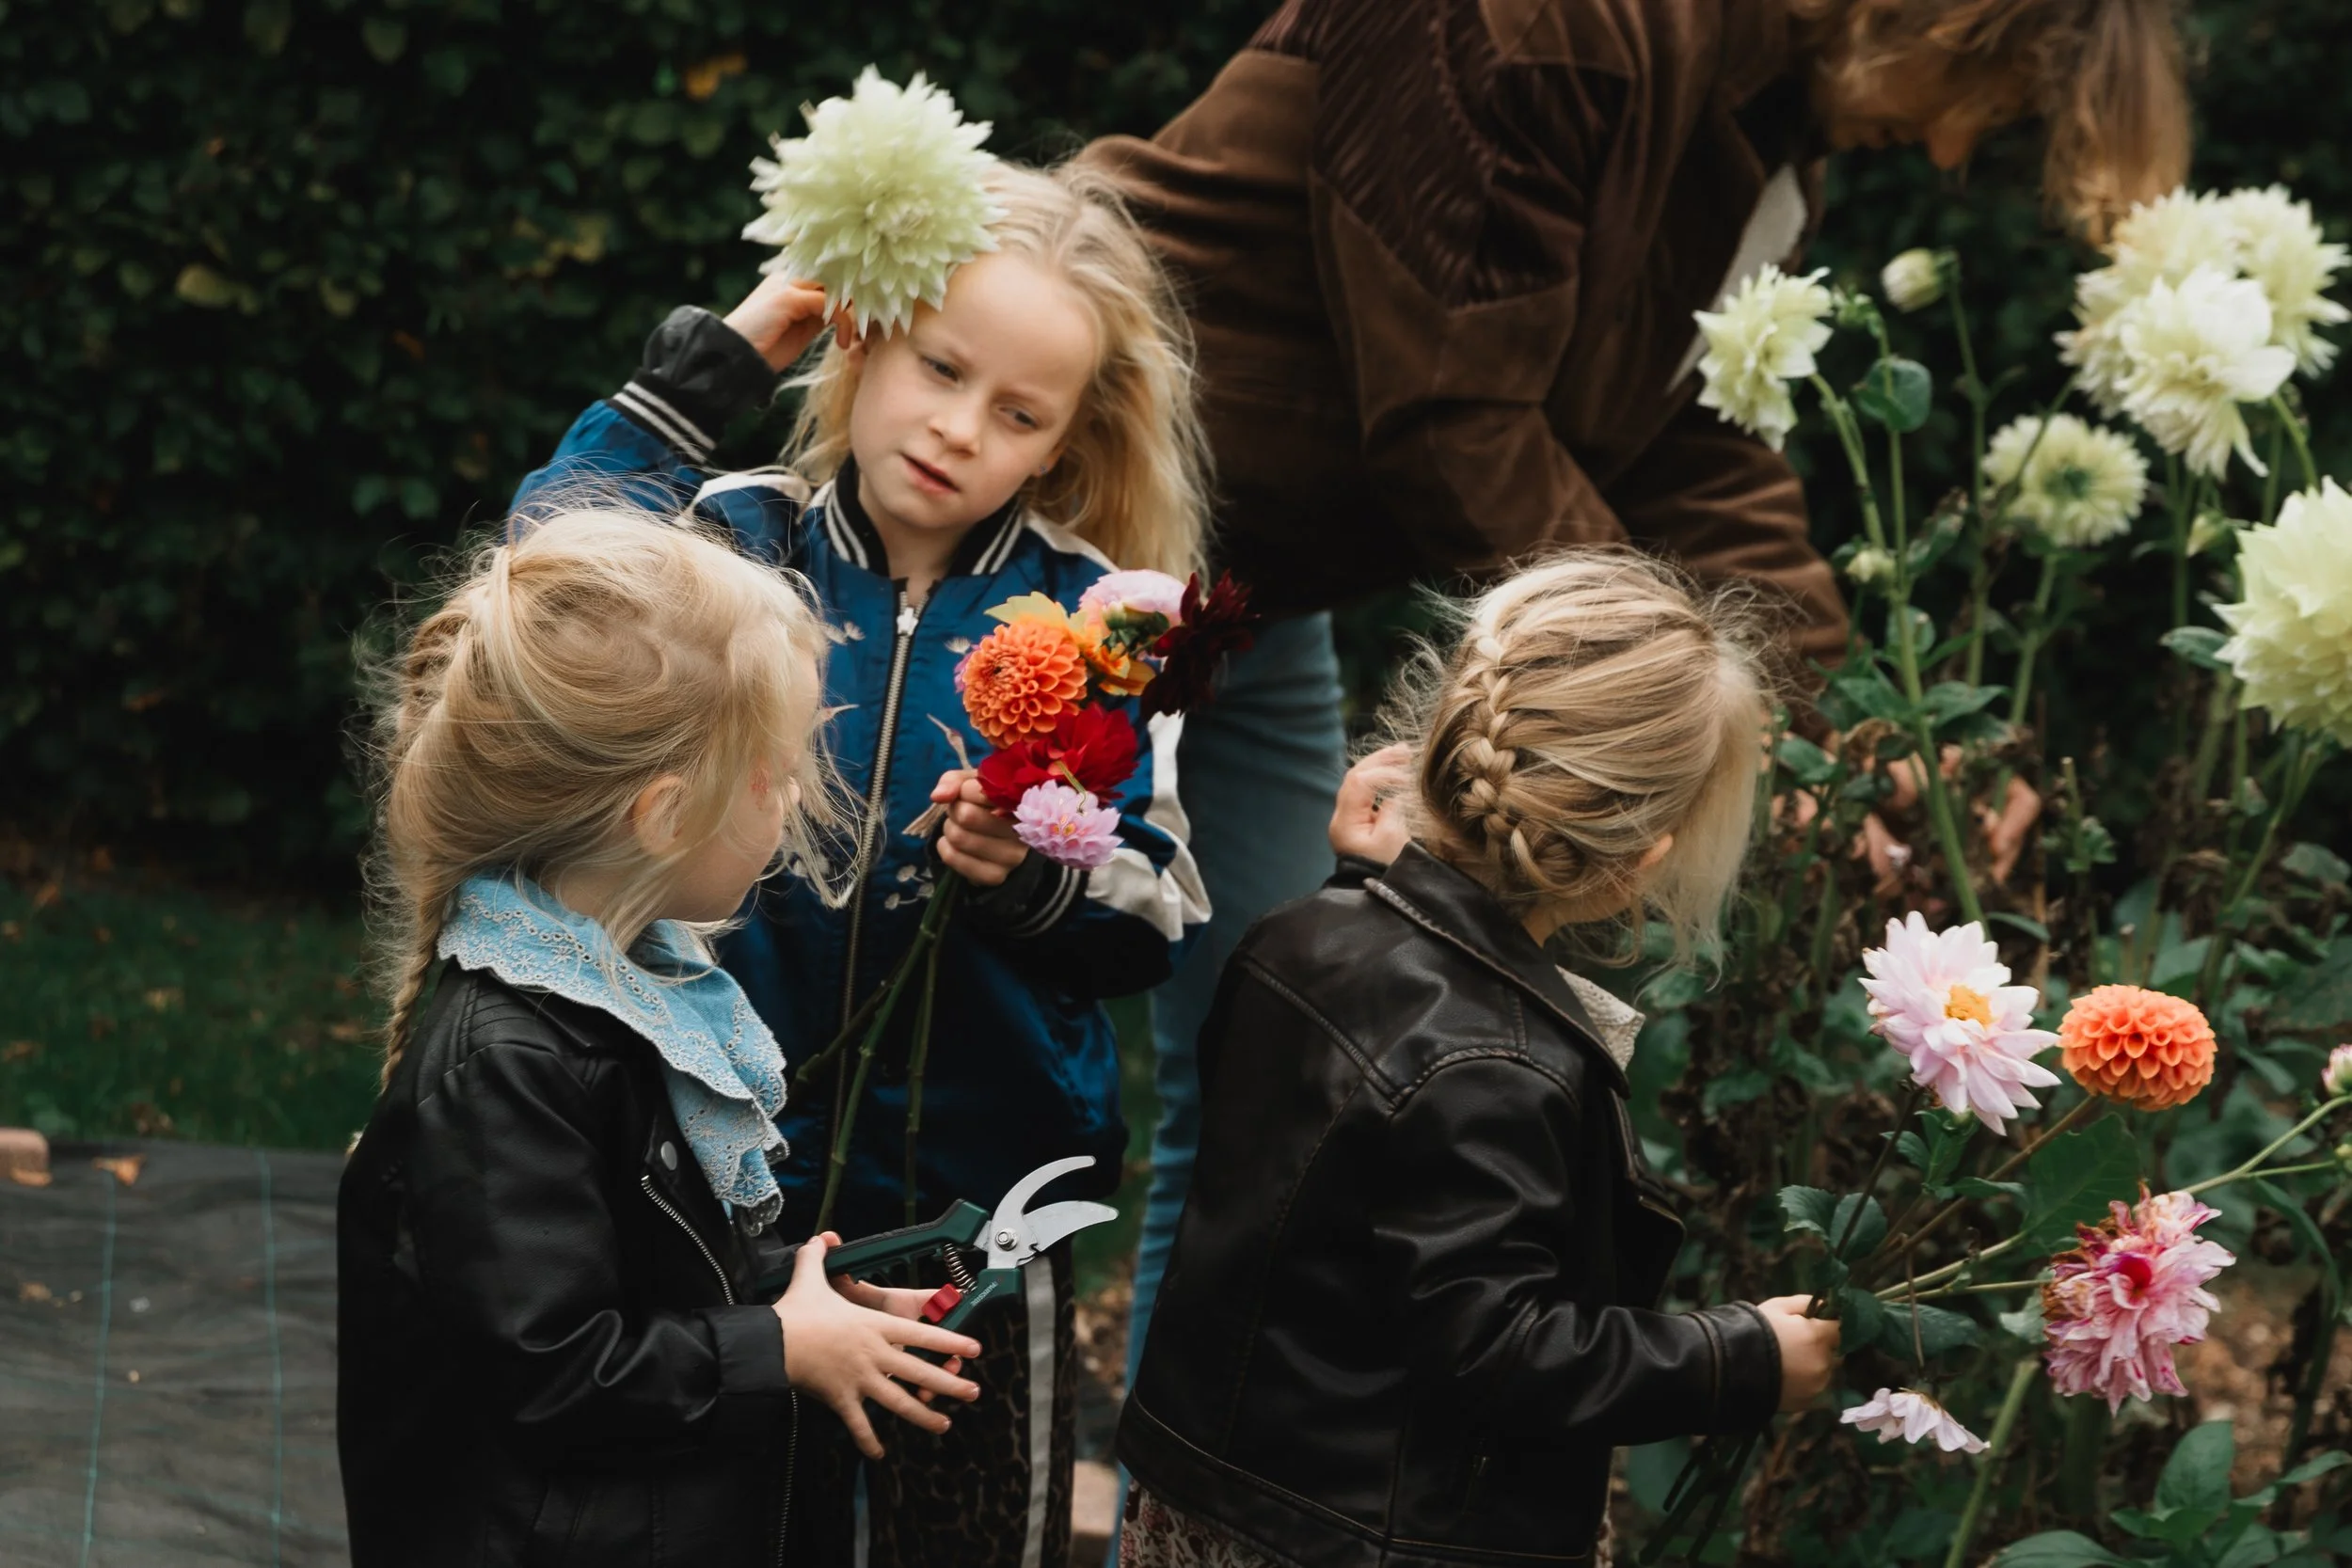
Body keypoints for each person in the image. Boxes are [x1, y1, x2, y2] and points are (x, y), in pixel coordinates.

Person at [1078, 0, 2192, 1457]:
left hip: (1258, 593)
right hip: (1077, 516)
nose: (1946, 144)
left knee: (1259, 1122)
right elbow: (1456, 416)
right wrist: (1671, 710)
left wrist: (1854, 742)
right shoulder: (1530, 25)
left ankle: (1195, 1516)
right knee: (981, 1084)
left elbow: (1691, 441)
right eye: (1982, 94)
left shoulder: (1763, 126)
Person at [510, 160, 1214, 1568]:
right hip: (718, 1192)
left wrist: (1029, 875)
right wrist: (734, 346)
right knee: (718, 1525)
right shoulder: (732, 535)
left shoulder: (1103, 624)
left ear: (1068, 437)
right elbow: (549, 566)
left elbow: (1158, 905)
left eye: (1019, 411)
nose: (960, 427)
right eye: (940, 366)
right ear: (865, 333)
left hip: (975, 1225)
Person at [1115, 551, 1844, 1566]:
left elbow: (1311, 1201)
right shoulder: (1497, 1063)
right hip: (1373, 1535)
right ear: (1642, 859)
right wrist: (1739, 1359)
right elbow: (1503, 1350)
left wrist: (1348, 887)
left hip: (1217, 1492)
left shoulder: (1296, 938)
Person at [338, 510, 983, 1568]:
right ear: (664, 813)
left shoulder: (628, 986)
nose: (790, 797)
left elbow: (648, 1264)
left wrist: (814, 1298)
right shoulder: (511, 1059)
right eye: (773, 772)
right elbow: (554, 1368)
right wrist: (779, 1347)